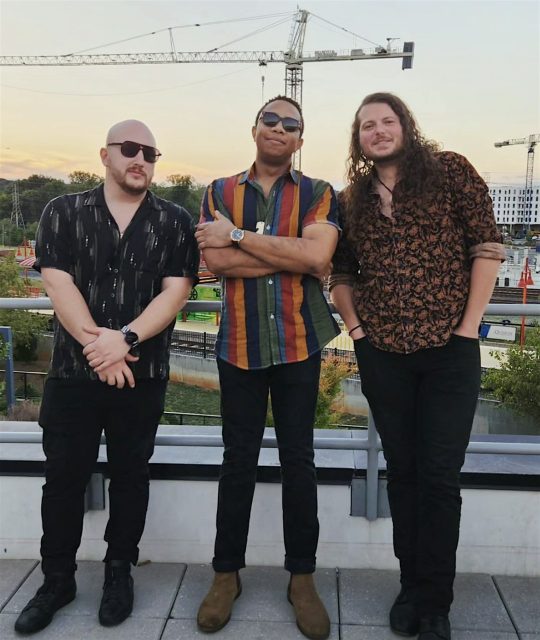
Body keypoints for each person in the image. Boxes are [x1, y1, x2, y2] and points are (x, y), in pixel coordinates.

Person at [329, 93, 505, 640]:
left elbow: (487, 246)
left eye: (387, 121)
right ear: (358, 139)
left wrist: (468, 327)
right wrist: (358, 333)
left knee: (439, 478)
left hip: (450, 350)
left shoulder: (449, 171)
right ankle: (410, 586)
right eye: (367, 126)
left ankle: (436, 602)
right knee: (402, 475)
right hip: (383, 355)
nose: (378, 131)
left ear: (406, 126)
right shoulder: (352, 199)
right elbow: (341, 274)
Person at [14, 120, 199, 635]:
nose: (140, 160)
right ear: (105, 154)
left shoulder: (174, 220)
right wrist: (103, 350)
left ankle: (120, 573)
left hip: (142, 373)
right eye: (130, 149)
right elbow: (59, 284)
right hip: (73, 373)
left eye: (150, 153)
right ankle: (57, 580)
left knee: (131, 476)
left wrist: (127, 340)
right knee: (62, 479)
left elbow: (176, 292)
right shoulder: (63, 211)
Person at [194, 96, 339, 640]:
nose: (279, 128)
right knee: (238, 463)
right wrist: (286, 253)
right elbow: (215, 262)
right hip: (239, 345)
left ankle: (301, 579)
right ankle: (225, 575)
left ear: (300, 140)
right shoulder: (218, 191)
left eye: (291, 124)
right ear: (254, 128)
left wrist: (238, 237)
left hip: (300, 344)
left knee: (299, 463)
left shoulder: (319, 192)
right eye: (270, 120)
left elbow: (318, 258)